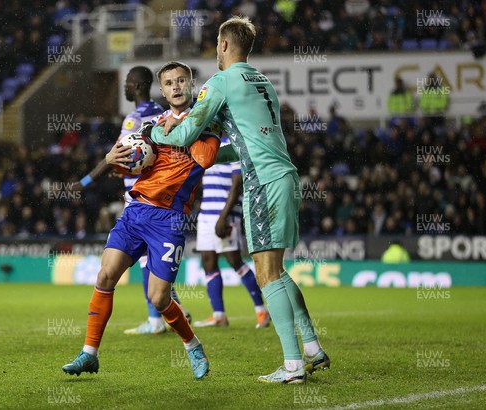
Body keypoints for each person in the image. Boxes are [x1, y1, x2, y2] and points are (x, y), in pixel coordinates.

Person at [144, 16, 329, 384]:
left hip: (263, 183)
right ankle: (310, 347)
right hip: (284, 176)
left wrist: (153, 133)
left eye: (216, 43)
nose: (215, 50)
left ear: (225, 45)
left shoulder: (220, 83)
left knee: (266, 275)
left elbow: (184, 133)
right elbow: (245, 147)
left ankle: (293, 367)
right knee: (276, 270)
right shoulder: (263, 83)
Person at [62, 61, 221, 380]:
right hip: (135, 211)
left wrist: (183, 132)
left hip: (170, 219)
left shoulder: (206, 121)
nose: (176, 87)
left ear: (189, 86)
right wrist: (112, 160)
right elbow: (131, 163)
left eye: (181, 81)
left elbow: (205, 159)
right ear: (161, 90)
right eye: (169, 83)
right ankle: (89, 354)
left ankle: (193, 346)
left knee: (159, 297)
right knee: (106, 275)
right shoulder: (155, 125)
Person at [78, 66, 190, 335]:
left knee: (144, 262)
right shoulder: (161, 113)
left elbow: (118, 156)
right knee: (153, 261)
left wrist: (84, 182)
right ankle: (171, 307)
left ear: (138, 85)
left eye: (128, 84)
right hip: (165, 196)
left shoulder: (135, 118)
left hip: (140, 197)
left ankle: (155, 319)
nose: (126, 88)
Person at [193, 139, 270, 328]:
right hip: (206, 213)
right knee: (208, 261)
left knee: (234, 261)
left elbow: (237, 186)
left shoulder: (233, 144)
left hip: (224, 215)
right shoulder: (208, 143)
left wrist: (224, 217)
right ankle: (219, 315)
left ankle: (262, 311)